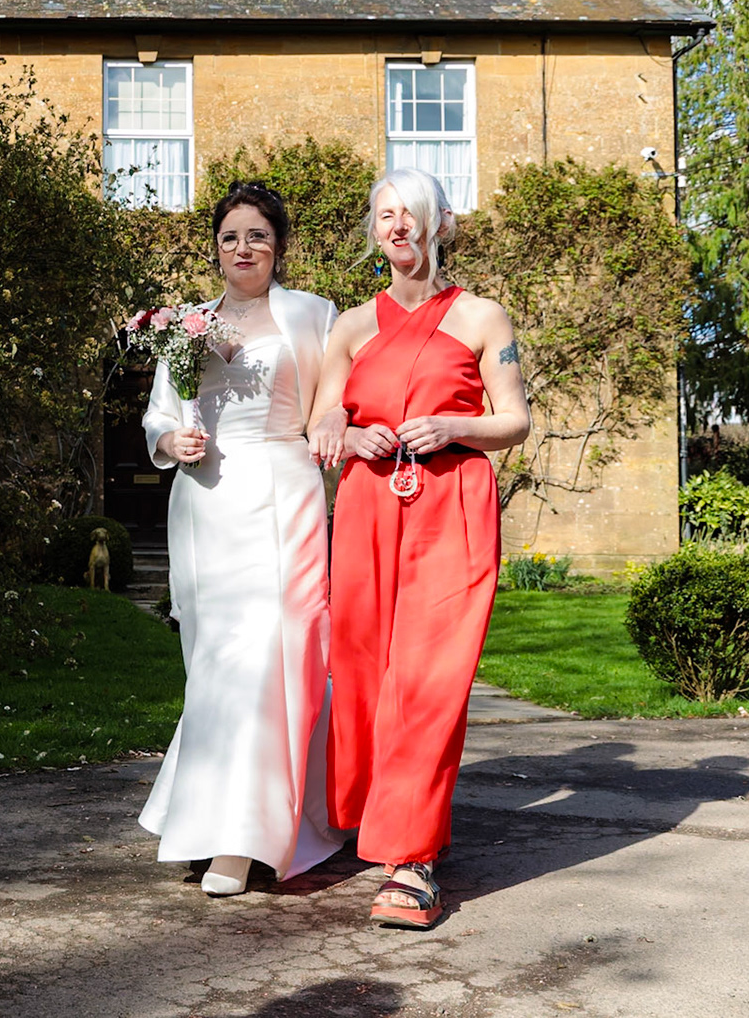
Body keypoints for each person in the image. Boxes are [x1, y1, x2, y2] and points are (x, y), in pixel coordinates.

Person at [307, 168, 532, 929]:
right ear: (374, 229)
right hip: (370, 503)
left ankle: (412, 859)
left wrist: (453, 426)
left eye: (412, 214)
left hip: (452, 503)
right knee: (368, 673)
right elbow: (321, 423)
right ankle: (382, 821)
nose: (396, 227)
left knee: (432, 678)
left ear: (440, 225)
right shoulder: (349, 326)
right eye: (383, 215)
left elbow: (515, 421)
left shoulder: (480, 318)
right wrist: (349, 430)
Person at [137, 181, 345, 895]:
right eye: (230, 237)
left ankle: (250, 838)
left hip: (283, 495)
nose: (243, 248)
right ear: (216, 250)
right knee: (216, 664)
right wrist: (172, 437)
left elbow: (340, 395)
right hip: (206, 505)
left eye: (257, 235)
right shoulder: (186, 324)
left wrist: (332, 421)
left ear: (278, 244)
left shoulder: (315, 316)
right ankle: (206, 819)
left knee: (274, 655)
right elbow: (158, 414)